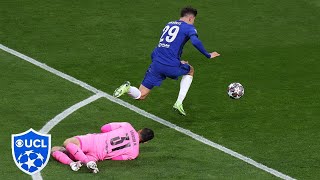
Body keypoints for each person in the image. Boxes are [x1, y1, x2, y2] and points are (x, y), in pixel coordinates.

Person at [113, 6, 220, 116]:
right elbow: (195, 42)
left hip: (156, 63)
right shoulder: (189, 28)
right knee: (190, 70)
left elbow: (165, 46)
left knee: (141, 95)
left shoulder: (169, 24)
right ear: (190, 18)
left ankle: (128, 88)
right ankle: (179, 102)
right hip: (169, 65)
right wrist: (208, 55)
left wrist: (176, 62)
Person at [51, 122, 154, 173]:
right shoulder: (134, 153)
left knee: (68, 143)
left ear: (140, 130)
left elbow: (104, 128)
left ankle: (80, 162)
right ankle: (77, 162)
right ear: (145, 142)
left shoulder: (127, 126)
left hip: (94, 141)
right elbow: (115, 158)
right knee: (58, 150)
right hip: (98, 155)